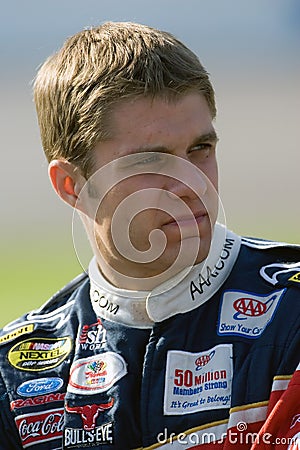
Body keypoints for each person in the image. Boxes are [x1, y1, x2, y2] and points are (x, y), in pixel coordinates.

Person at [0, 21, 299, 450]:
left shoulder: (291, 315)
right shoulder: (19, 378)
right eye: (151, 162)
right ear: (72, 186)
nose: (191, 184)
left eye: (201, 149)